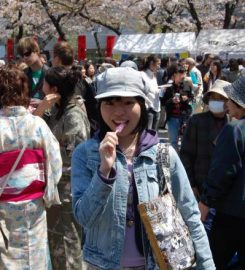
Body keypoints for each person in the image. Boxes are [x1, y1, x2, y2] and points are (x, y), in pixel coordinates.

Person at [71, 67, 215, 270]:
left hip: (156, 264)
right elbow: (83, 217)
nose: (119, 111)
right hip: (102, 265)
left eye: (128, 102)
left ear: (142, 104)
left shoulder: (163, 154)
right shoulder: (85, 154)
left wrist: (207, 266)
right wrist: (103, 173)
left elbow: (190, 215)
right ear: (99, 106)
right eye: (109, 103)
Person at [0, 65, 62, 269]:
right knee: (35, 258)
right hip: (34, 206)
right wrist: (47, 192)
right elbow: (54, 163)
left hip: (3, 208)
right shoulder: (37, 125)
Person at [34, 66, 90, 270]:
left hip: (68, 190)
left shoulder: (73, 115)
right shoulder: (58, 109)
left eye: (44, 84)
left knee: (68, 245)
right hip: (56, 188)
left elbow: (75, 158)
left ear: (54, 88)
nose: (41, 87)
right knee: (57, 244)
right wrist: (40, 110)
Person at [199, 76, 245, 270]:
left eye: (229, 100)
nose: (226, 105)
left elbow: (222, 172)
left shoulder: (235, 129)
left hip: (232, 214)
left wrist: (205, 202)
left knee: (213, 262)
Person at [180, 79, 230, 232]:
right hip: (201, 189)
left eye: (221, 99)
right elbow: (186, 155)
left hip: (227, 192)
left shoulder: (234, 124)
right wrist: (192, 185)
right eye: (214, 98)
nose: (217, 102)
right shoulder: (197, 121)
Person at [17, 37, 49, 103]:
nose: (25, 58)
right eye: (22, 55)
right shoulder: (21, 75)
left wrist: (42, 103)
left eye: (27, 54)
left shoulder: (50, 73)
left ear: (36, 51)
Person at [141, 55, 161, 131]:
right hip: (148, 108)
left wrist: (160, 90)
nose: (159, 66)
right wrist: (148, 105)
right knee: (147, 133)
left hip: (157, 106)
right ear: (151, 63)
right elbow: (141, 91)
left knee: (154, 133)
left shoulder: (154, 76)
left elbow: (153, 90)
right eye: (158, 64)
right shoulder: (142, 75)